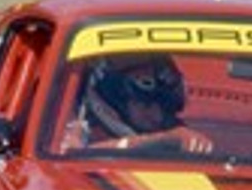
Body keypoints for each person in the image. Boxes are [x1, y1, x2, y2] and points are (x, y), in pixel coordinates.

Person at [77, 54, 213, 153]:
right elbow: (81, 156)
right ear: (112, 103)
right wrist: (161, 141)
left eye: (163, 105)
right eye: (145, 105)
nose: (157, 116)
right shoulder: (78, 133)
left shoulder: (179, 133)